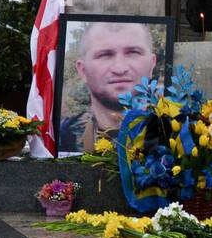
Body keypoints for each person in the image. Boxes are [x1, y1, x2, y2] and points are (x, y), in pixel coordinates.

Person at [58, 21, 158, 153]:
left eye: (133, 52)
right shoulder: (61, 138)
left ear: (152, 65)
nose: (119, 68)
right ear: (82, 71)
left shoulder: (177, 133)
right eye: (105, 55)